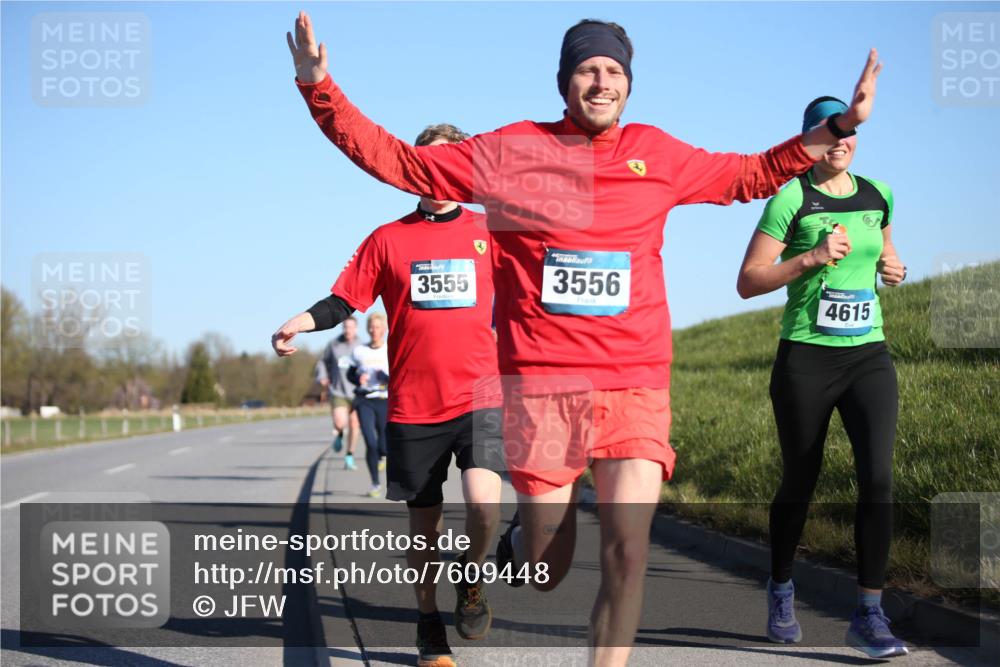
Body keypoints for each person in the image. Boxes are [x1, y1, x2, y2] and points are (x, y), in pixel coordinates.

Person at [286, 12, 881, 664]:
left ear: (629, 84)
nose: (602, 82)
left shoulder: (657, 154)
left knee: (628, 550)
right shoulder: (509, 151)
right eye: (588, 69)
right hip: (545, 388)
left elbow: (748, 174)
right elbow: (398, 161)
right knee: (546, 564)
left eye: (615, 72)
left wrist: (838, 128)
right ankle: (519, 543)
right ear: (565, 80)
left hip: (635, 383)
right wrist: (322, 88)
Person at [272, 124, 505, 667]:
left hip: (480, 397)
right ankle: (428, 625)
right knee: (424, 528)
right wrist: (300, 323)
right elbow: (343, 301)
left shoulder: (492, 230)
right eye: (427, 164)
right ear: (412, 171)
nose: (439, 174)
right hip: (414, 407)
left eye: (451, 162)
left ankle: (470, 580)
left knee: (485, 504)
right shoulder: (388, 239)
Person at [736, 95, 907, 659]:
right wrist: (808, 260)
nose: (840, 142)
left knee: (878, 479)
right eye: (827, 133)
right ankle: (782, 587)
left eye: (848, 133)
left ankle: (869, 613)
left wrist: (894, 267)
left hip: (867, 355)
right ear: (811, 139)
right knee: (801, 479)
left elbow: (883, 250)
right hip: (807, 357)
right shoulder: (791, 197)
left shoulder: (877, 193)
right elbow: (750, 280)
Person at [346, 312, 390, 498]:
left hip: (385, 399)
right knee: (370, 443)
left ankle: (382, 455)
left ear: (384, 329)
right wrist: (358, 378)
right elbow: (350, 374)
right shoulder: (359, 351)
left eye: (378, 327)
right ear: (367, 329)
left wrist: (387, 378)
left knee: (383, 445)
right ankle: (375, 483)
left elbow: (402, 375)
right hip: (365, 400)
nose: (374, 331)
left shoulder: (390, 349)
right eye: (371, 327)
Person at [315, 316, 361, 469]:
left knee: (355, 424)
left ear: (356, 329)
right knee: (340, 423)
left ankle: (349, 455)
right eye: (345, 327)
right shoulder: (334, 345)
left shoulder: (361, 346)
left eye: (351, 327)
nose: (348, 330)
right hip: (338, 390)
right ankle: (340, 435)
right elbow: (322, 361)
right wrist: (322, 376)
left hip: (356, 392)